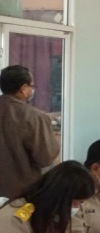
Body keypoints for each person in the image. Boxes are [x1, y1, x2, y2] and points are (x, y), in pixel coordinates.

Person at [0, 65, 60, 198]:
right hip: (21, 194)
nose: (33, 90)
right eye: (32, 86)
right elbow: (45, 158)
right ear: (23, 88)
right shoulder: (34, 117)